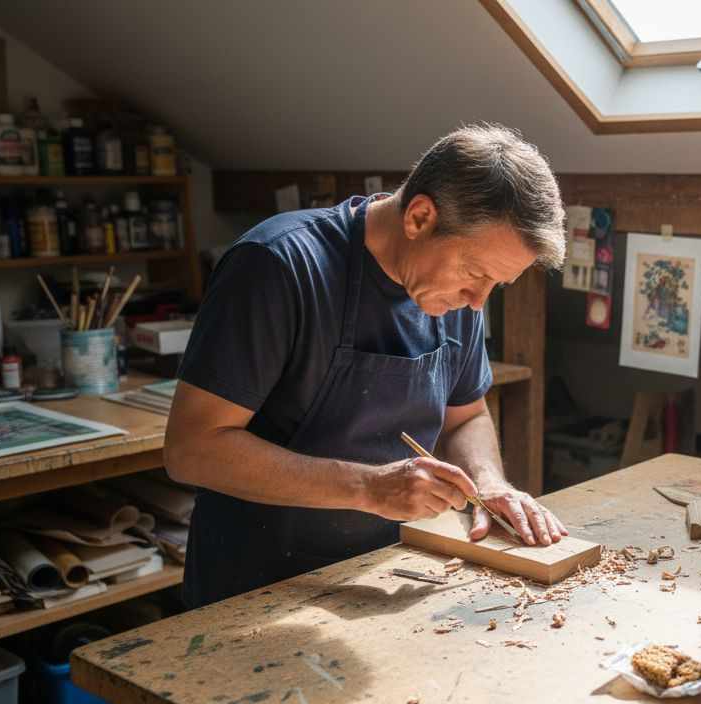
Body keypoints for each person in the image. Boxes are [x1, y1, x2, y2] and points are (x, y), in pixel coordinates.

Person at [164, 124, 569, 607]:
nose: (478, 301)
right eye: (476, 274)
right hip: (255, 586)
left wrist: (488, 482)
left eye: (496, 286)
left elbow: (468, 414)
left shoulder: (455, 297)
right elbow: (192, 449)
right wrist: (367, 487)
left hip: (385, 576)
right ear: (419, 217)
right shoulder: (278, 265)